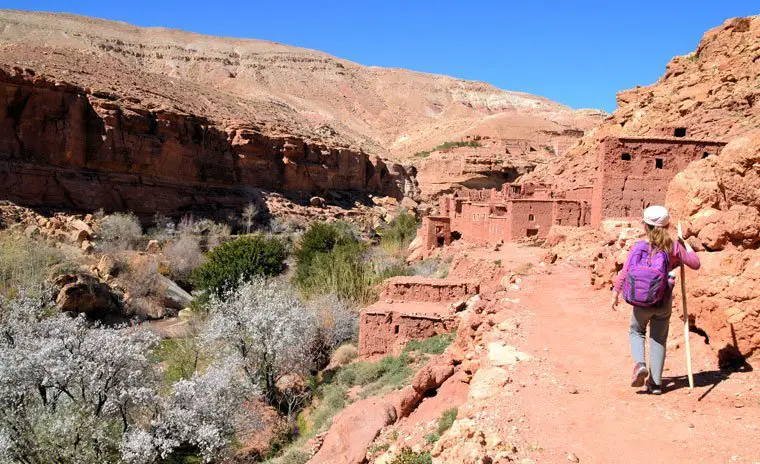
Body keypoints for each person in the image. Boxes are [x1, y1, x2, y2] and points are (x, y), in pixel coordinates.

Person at [610, 205, 700, 395]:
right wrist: (686, 245)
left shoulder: (639, 246)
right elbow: (695, 263)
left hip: (641, 302)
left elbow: (625, 271)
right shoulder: (673, 246)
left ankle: (640, 364)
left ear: (646, 226)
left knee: (636, 331)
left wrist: (616, 293)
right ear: (667, 226)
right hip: (663, 301)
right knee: (658, 339)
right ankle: (656, 384)